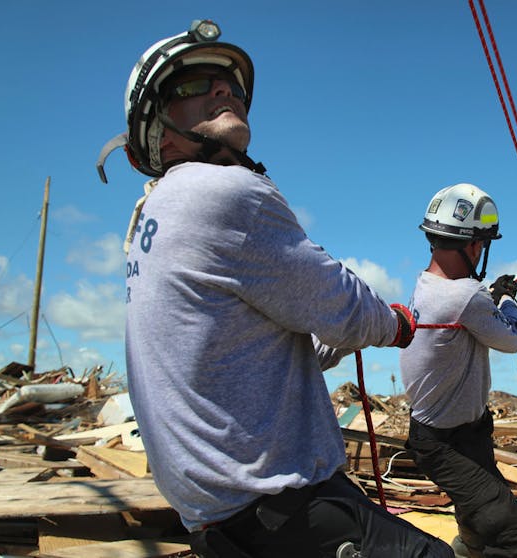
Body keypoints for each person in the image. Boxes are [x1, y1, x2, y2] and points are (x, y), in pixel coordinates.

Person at [98, 20, 453, 558]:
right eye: (196, 84)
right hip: (280, 511)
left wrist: (339, 338)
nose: (224, 90)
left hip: (218, 523)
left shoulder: (154, 216)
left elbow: (251, 350)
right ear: (160, 132)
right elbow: (344, 305)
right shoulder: (227, 192)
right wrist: (395, 323)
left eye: (232, 86)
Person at [401, 183, 517, 558]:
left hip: (451, 434)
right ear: (474, 245)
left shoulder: (427, 285)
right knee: (516, 539)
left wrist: (490, 300)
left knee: (478, 518)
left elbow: (467, 313)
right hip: (447, 444)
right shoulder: (465, 297)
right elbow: (510, 339)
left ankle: (468, 549)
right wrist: (508, 300)